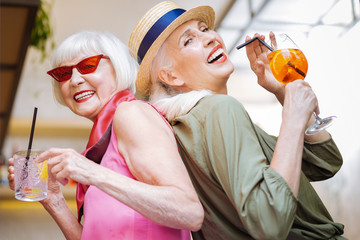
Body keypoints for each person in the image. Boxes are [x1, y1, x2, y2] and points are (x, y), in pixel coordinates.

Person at [128, 1, 346, 239]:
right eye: (188, 40)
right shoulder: (220, 110)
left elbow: (325, 162)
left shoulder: (192, 125)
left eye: (204, 29)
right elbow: (269, 222)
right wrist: (292, 117)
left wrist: (283, 92)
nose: (210, 37)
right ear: (171, 76)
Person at [7, 30, 204, 240]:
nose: (74, 80)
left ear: (118, 68)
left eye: (88, 66)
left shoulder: (131, 113)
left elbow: (189, 212)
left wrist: (90, 172)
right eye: (63, 74)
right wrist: (52, 198)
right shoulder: (102, 144)